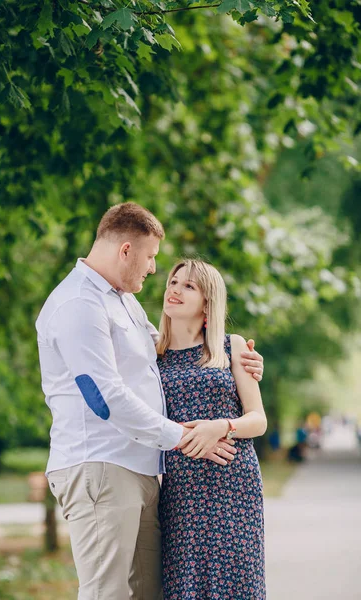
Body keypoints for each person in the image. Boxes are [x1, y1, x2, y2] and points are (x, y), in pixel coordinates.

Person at [35, 202, 264, 600]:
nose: (156, 271)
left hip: (142, 471)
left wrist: (245, 362)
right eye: (152, 257)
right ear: (126, 251)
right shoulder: (79, 304)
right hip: (101, 467)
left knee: (146, 593)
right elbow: (105, 398)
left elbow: (154, 369)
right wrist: (184, 438)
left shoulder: (122, 301)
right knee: (107, 592)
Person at [157, 259, 267, 600]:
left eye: (188, 286)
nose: (175, 289)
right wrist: (190, 438)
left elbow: (258, 419)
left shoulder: (231, 346)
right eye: (173, 282)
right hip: (180, 491)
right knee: (186, 586)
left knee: (237, 585)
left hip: (232, 486)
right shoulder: (150, 354)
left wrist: (221, 427)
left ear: (208, 302)